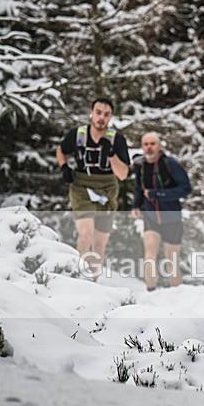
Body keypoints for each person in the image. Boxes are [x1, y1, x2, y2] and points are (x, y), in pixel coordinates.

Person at [56, 97, 130, 279]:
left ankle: (93, 282)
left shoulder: (116, 140)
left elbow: (123, 175)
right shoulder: (78, 134)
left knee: (99, 244)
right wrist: (64, 166)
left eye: (106, 114)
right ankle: (78, 277)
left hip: (107, 189)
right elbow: (61, 150)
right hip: (82, 186)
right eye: (98, 113)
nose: (101, 118)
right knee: (86, 235)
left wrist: (111, 154)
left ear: (111, 117)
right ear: (91, 113)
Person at [130, 132, 192, 291]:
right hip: (150, 216)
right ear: (142, 147)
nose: (149, 148)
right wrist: (136, 205)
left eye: (152, 144)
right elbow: (139, 189)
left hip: (171, 216)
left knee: (171, 259)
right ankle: (151, 292)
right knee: (149, 253)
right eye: (146, 144)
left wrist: (158, 194)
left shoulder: (170, 164)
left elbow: (186, 188)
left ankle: (177, 294)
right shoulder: (141, 166)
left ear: (159, 146)